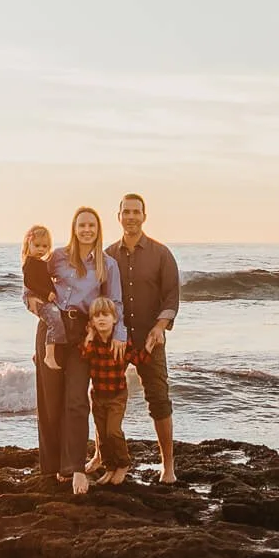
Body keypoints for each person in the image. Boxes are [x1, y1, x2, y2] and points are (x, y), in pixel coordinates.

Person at [24, 206, 126, 495]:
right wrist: (31, 302)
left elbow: (115, 303)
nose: (86, 230)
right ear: (74, 227)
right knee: (49, 398)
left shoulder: (108, 265)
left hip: (83, 334)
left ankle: (75, 468)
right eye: (81, 225)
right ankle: (52, 467)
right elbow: (32, 284)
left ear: (98, 228)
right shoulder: (56, 257)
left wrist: (118, 335)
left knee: (77, 399)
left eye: (91, 225)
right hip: (52, 332)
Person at [110, 192, 181, 484]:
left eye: (136, 212)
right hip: (115, 340)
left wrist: (160, 327)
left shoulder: (161, 253)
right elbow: (99, 296)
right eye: (126, 212)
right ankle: (105, 457)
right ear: (119, 217)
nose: (131, 217)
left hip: (150, 341)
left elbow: (171, 295)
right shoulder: (108, 255)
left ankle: (168, 466)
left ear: (144, 216)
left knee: (159, 400)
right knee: (107, 399)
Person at [79, 296, 131, 484]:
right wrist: (90, 337)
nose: (101, 319)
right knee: (101, 433)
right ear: (91, 321)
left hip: (117, 395)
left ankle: (124, 463)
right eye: (96, 316)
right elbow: (83, 354)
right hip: (98, 395)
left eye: (106, 315)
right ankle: (109, 467)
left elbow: (138, 357)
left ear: (115, 319)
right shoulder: (92, 343)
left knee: (113, 432)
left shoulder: (119, 343)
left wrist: (150, 346)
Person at [20, 225, 63, 369]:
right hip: (33, 295)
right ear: (29, 244)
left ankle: (38, 354)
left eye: (45, 246)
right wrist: (47, 293)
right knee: (54, 320)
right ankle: (48, 356)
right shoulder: (30, 262)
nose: (41, 249)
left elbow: (45, 280)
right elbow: (30, 282)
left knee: (54, 319)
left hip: (42, 296)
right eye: (37, 245)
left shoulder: (42, 263)